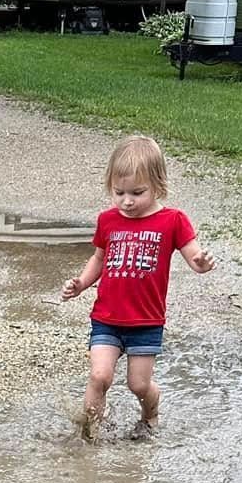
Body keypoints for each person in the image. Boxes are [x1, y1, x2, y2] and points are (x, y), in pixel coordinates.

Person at [59, 133, 215, 441]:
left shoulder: (173, 220)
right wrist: (81, 283)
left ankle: (149, 414)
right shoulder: (108, 220)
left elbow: (192, 253)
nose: (127, 201)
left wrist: (200, 262)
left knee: (138, 385)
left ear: (158, 185)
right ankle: (89, 434)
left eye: (137, 192)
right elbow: (99, 258)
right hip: (106, 317)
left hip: (145, 321)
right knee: (99, 375)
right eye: (119, 192)